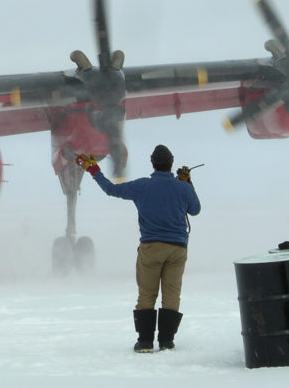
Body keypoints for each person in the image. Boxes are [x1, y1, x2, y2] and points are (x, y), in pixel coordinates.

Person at [76, 145, 200, 353]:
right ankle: (167, 341)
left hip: (151, 247)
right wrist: (188, 183)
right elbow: (195, 210)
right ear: (171, 164)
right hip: (178, 249)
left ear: (152, 163)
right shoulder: (183, 188)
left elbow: (111, 190)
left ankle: (145, 341)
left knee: (147, 293)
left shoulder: (142, 186)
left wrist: (94, 170)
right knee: (171, 293)